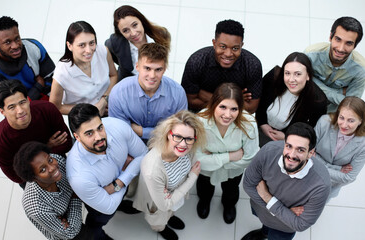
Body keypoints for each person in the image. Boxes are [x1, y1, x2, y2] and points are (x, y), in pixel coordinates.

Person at [67, 103, 148, 240]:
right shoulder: (78, 176)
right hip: (100, 210)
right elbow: (109, 207)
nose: (99, 137)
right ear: (77, 137)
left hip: (117, 187)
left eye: (100, 128)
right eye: (89, 133)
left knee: (120, 199)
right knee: (98, 221)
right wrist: (128, 171)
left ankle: (122, 205)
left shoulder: (116, 126)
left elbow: (143, 154)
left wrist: (117, 184)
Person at [242, 122, 330, 240]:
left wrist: (267, 197)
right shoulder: (269, 150)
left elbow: (300, 224)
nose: (291, 155)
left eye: (300, 150)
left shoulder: (321, 184)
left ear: (311, 153)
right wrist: (285, 211)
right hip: (263, 212)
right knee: (265, 225)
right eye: (289, 146)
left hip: (284, 227)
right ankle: (264, 233)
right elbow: (248, 185)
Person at [133, 111, 206, 240]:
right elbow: (163, 205)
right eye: (177, 136)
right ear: (168, 134)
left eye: (189, 139)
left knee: (171, 210)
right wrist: (193, 177)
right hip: (158, 205)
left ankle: (171, 217)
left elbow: (191, 163)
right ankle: (161, 229)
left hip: (173, 195)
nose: (183, 144)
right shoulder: (153, 169)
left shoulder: (188, 150)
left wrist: (171, 195)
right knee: (158, 221)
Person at [195, 83, 259, 224]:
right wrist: (230, 156)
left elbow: (250, 158)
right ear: (214, 104)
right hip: (207, 171)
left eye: (234, 109)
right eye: (223, 107)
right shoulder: (200, 121)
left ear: (240, 109)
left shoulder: (249, 124)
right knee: (204, 189)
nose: (228, 115)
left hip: (233, 172)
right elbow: (197, 158)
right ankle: (205, 201)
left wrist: (212, 157)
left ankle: (229, 206)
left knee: (231, 191)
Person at [0, 80, 72, 185]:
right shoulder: (0, 143)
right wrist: (48, 146)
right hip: (33, 180)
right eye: (12, 107)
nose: (20, 110)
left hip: (57, 161)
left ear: (28, 100)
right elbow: (17, 177)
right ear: (2, 111)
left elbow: (66, 144)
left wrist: (28, 163)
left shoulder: (47, 109)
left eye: (22, 102)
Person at [108, 43, 187, 142]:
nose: (152, 75)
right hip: (128, 142)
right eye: (147, 68)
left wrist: (141, 131)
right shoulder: (119, 92)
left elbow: (179, 132)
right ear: (137, 66)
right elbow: (119, 131)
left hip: (165, 143)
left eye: (158, 69)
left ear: (164, 69)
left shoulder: (178, 93)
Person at [14, 141, 92, 240]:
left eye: (50, 160)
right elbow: (70, 232)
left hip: (67, 214)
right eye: (42, 170)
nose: (53, 168)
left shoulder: (57, 160)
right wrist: (76, 195)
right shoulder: (36, 207)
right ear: (34, 178)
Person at [181, 19, 262, 114]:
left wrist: (204, 95)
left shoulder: (252, 65)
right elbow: (190, 101)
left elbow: (251, 108)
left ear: (241, 46)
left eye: (235, 48)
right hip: (200, 114)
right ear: (214, 44)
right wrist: (235, 99)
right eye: (223, 47)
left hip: (235, 119)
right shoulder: (197, 61)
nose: (228, 54)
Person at [256, 52, 327, 147]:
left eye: (298, 74)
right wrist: (262, 124)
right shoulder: (273, 78)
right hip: (259, 129)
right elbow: (259, 103)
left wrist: (287, 136)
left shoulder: (318, 101)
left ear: (308, 75)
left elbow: (310, 131)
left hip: (289, 142)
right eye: (287, 73)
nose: (291, 79)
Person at [50, 21, 118, 115]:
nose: (89, 50)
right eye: (82, 45)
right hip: (84, 116)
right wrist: (91, 109)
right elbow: (56, 107)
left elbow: (114, 75)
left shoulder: (102, 51)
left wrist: (104, 100)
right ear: (70, 46)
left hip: (109, 105)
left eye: (91, 43)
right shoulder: (62, 72)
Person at [0, 16, 55, 102]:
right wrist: (38, 86)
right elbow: (10, 106)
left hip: (50, 102)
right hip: (25, 114)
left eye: (17, 38)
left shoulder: (34, 47)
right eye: (7, 42)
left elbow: (54, 80)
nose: (15, 46)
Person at [314, 96, 365, 199]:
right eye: (341, 118)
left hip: (329, 186)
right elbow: (306, 154)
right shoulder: (324, 122)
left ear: (361, 120)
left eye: (351, 121)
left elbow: (349, 177)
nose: (344, 125)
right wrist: (337, 169)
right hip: (307, 175)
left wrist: (316, 161)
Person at [305, 16, 365, 112]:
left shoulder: (361, 71)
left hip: (330, 113)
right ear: (330, 37)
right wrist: (340, 92)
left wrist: (313, 82)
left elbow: (349, 105)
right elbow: (300, 81)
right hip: (304, 101)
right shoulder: (311, 54)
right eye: (338, 39)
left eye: (349, 43)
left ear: (355, 45)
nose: (340, 48)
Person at [105, 5, 171, 81]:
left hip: (152, 82)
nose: (133, 33)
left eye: (135, 25)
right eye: (126, 30)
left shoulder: (161, 35)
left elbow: (163, 61)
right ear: (120, 33)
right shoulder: (115, 41)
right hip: (126, 84)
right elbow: (110, 55)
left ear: (141, 21)